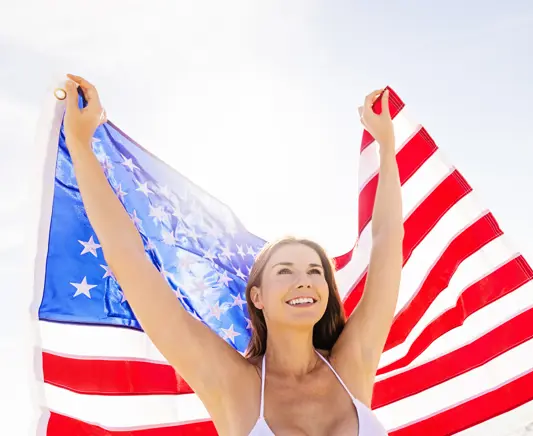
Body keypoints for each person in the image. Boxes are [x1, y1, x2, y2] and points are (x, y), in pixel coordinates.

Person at [62, 74, 404, 436]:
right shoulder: (232, 384)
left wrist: (386, 145)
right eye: (285, 271)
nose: (304, 279)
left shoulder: (352, 366)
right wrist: (81, 146)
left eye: (314, 271)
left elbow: (385, 240)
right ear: (256, 295)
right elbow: (129, 261)